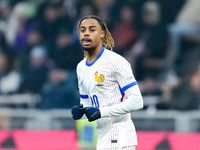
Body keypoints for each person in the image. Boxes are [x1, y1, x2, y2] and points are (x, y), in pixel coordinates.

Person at [71, 15, 143, 150]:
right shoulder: (81, 67)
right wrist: (80, 112)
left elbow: (137, 101)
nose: (86, 33)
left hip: (120, 137)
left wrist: (101, 112)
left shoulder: (115, 62)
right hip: (102, 138)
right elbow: (87, 104)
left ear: (102, 34)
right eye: (82, 30)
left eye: (92, 30)